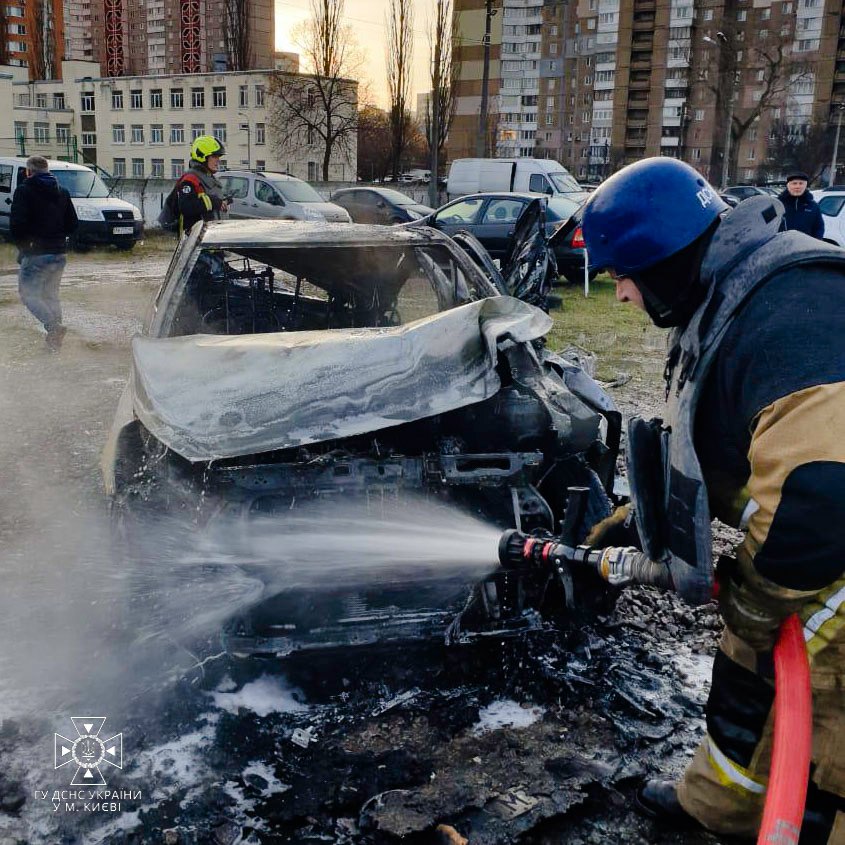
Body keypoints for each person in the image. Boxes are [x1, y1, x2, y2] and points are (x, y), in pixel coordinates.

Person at [581, 158, 845, 842]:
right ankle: (722, 805)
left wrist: (758, 599)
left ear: (662, 261)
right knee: (749, 661)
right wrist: (642, 524)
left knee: (831, 717)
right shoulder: (740, 292)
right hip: (814, 555)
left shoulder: (791, 312)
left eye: (621, 275)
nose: (617, 295)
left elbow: (818, 490)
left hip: (829, 548)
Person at [10, 155, 79, 352]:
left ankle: (53, 328)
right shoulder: (62, 192)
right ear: (48, 171)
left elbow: (17, 224)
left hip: (36, 253)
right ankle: (54, 343)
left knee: (28, 294)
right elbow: (73, 224)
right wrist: (57, 239)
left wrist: (25, 246)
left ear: (28, 171)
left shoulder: (24, 191)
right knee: (51, 295)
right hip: (59, 253)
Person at [160, 135, 228, 236]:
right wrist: (214, 201)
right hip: (196, 242)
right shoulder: (190, 179)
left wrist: (222, 202)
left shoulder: (208, 177)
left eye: (218, 157)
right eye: (214, 156)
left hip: (211, 238)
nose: (218, 160)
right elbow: (187, 207)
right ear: (202, 157)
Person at [778, 170, 824, 239]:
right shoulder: (777, 204)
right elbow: (767, 226)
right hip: (781, 246)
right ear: (788, 185)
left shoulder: (813, 206)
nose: (797, 186)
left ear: (805, 186)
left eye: (801, 183)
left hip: (805, 247)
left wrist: (815, 243)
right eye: (794, 183)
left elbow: (819, 228)